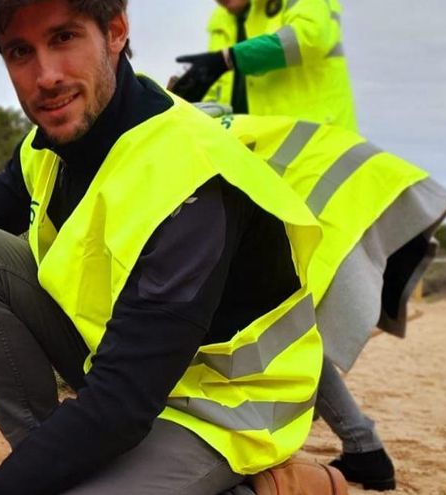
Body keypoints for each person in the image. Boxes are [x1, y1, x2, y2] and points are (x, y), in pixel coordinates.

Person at [0, 1, 343, 493]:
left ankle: (282, 484)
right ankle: (53, 464)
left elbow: (122, 404)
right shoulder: (51, 144)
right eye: (20, 52)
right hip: (128, 375)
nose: (45, 76)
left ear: (116, 30)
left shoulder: (191, 178)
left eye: (64, 37)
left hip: (223, 408)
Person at [169, 1, 404, 490]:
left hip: (318, 168)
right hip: (269, 175)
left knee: (285, 313)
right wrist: (181, 97)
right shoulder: (227, 21)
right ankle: (362, 446)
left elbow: (305, 41)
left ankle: (359, 444)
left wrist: (227, 60)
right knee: (283, 314)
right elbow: (226, 95)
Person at [194, 101, 446, 492]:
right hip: (357, 191)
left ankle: (360, 447)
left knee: (287, 332)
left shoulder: (175, 129)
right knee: (292, 333)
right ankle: (364, 448)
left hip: (335, 210)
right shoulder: (213, 119)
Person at [171, 0, 356, 131]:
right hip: (258, 146)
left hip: (318, 141)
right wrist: (186, 104)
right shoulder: (222, 18)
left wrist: (229, 58)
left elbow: (310, 38)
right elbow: (221, 84)